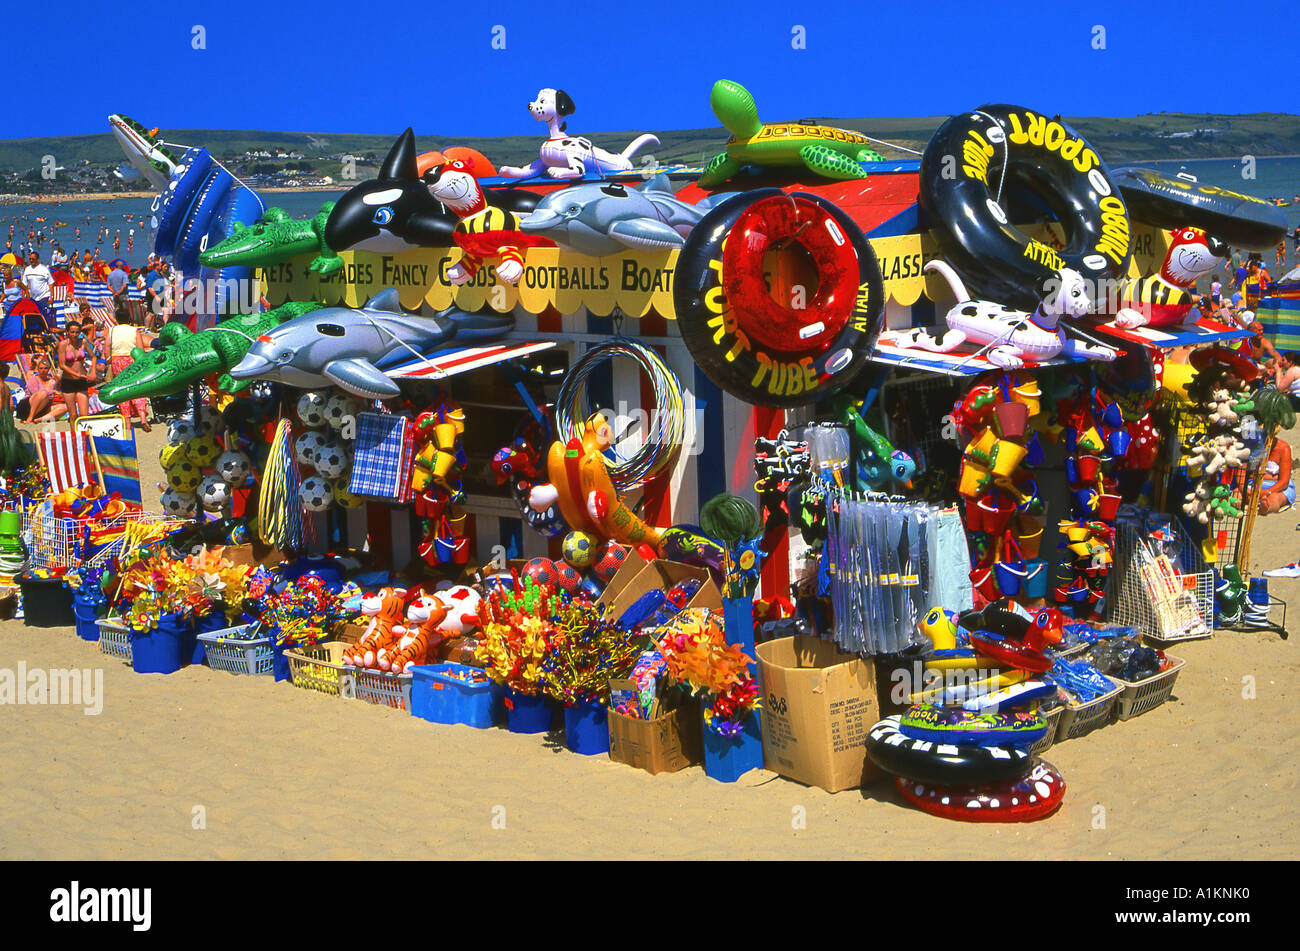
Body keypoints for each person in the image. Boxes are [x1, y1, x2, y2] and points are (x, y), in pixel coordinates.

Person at [106, 306, 152, 431]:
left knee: (122, 390)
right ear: (129, 318)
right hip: (131, 359)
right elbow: (140, 348)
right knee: (136, 387)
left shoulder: (111, 330)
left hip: (116, 360)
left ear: (116, 319)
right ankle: (143, 417)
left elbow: (107, 348)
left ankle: (127, 422)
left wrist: (108, 360)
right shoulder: (134, 330)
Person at [57, 319, 94, 424]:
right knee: (73, 415)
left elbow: (93, 356)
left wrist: (93, 372)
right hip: (68, 381)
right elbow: (62, 365)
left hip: (81, 380)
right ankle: (75, 437)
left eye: (77, 332)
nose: (74, 334)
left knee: (84, 415)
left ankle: (85, 437)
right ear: (67, 332)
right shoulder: (63, 345)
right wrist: (75, 374)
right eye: (72, 332)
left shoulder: (83, 342)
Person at [16, 355, 66, 423]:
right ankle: (31, 417)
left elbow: (56, 393)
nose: (43, 370)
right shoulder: (33, 378)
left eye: (45, 368)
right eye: (41, 368)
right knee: (43, 393)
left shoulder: (52, 381)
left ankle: (39, 419)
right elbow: (35, 393)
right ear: (38, 369)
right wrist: (53, 391)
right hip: (27, 407)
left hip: (43, 408)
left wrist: (58, 381)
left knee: (64, 407)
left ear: (49, 369)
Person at [1259, 437, 1295, 515]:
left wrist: (1267, 492)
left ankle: (1265, 507)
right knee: (1237, 494)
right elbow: (1244, 476)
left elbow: (1284, 482)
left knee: (1275, 498)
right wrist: (1272, 477)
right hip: (1254, 484)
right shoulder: (1250, 446)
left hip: (1278, 487)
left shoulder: (1283, 448)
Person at [20, 251, 54, 328]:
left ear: (37, 259)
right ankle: (37, 330)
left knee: (42, 313)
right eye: (30, 259)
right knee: (34, 314)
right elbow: (24, 285)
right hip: (33, 297)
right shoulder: (27, 269)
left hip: (44, 296)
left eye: (33, 259)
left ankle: (44, 329)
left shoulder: (44, 269)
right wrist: (23, 297)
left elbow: (51, 283)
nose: (31, 260)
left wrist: (51, 297)